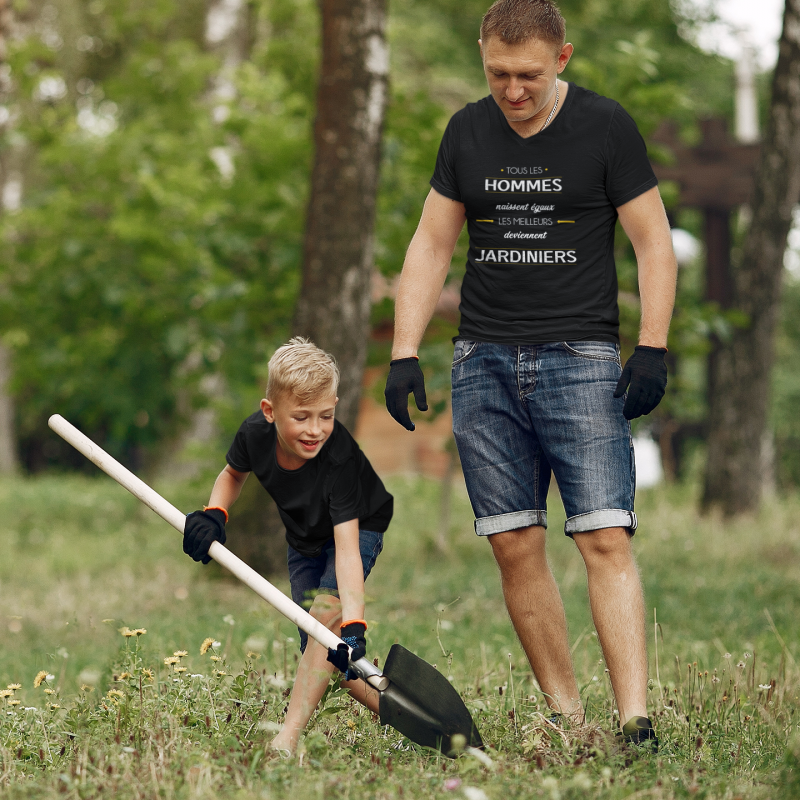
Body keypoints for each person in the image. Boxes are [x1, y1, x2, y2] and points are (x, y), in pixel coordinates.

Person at [384, 0, 676, 749]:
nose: (513, 90)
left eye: (529, 76)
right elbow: (429, 244)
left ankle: (635, 721)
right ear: (482, 58)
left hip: (578, 361)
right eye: (498, 74)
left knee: (603, 536)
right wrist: (404, 350)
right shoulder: (466, 131)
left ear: (563, 60)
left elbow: (653, 242)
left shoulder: (605, 128)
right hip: (482, 363)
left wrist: (652, 346)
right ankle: (567, 718)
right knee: (514, 542)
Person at [183, 337, 393, 756]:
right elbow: (232, 474)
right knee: (324, 653)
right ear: (269, 412)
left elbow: (348, 549)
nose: (315, 429)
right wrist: (214, 514)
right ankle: (400, 714)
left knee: (327, 619)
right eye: (301, 417)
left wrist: (354, 622)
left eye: (326, 416)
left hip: (358, 528)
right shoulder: (254, 436)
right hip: (303, 540)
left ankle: (287, 739)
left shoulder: (339, 461)